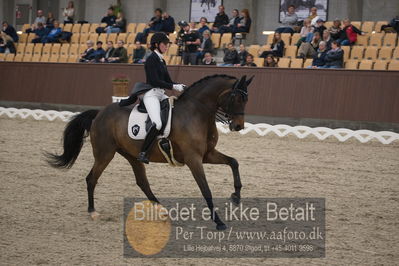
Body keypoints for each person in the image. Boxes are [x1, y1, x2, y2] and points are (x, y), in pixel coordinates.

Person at [119, 33, 186, 164]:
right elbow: (155, 81)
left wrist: (179, 86)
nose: (167, 46)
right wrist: (174, 86)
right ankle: (143, 152)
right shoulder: (151, 59)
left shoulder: (161, 60)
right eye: (164, 44)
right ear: (156, 44)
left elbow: (167, 80)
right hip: (152, 94)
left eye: (167, 44)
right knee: (158, 123)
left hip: (161, 94)